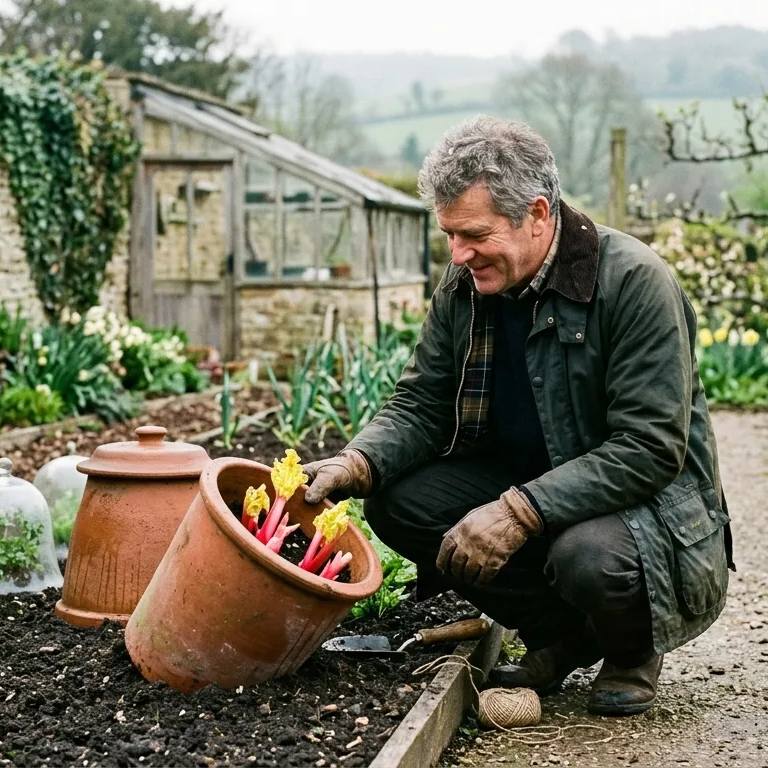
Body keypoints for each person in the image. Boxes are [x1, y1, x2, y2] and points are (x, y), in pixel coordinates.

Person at [302, 116, 733, 716]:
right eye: (449, 235)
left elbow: (650, 447)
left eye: (473, 234)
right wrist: (357, 462)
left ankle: (632, 649)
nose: (457, 254)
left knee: (586, 557)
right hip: (531, 478)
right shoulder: (464, 287)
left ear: (536, 214)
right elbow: (423, 402)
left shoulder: (633, 282)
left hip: (642, 504)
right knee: (397, 504)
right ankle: (563, 636)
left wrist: (519, 510)